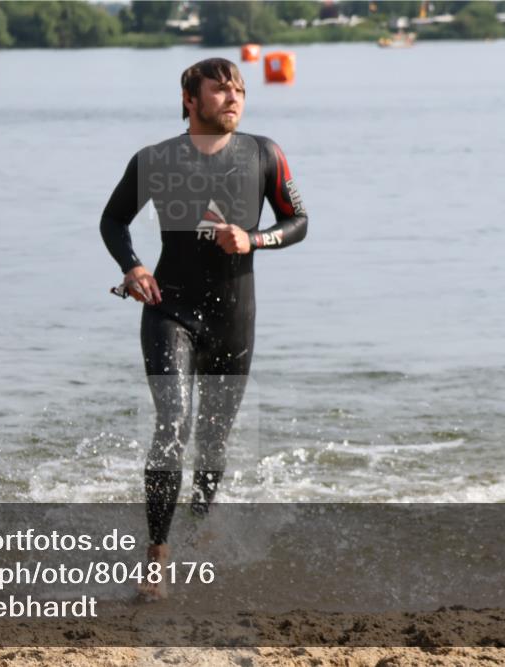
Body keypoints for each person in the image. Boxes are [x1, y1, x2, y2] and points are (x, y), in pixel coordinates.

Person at [100, 58, 308, 600]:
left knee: (213, 440)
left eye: (239, 89)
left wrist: (254, 239)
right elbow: (112, 219)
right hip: (170, 309)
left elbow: (299, 222)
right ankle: (157, 556)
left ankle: (202, 517)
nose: (234, 97)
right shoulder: (156, 159)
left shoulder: (266, 154)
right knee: (173, 421)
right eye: (220, 90)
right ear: (190, 99)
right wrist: (133, 266)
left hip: (234, 317)